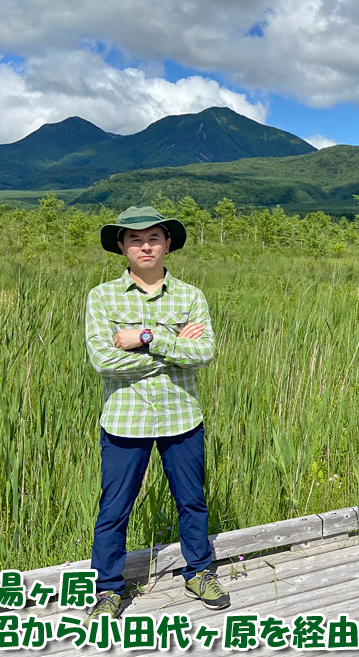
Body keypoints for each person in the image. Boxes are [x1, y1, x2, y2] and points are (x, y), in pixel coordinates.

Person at [83, 206, 229, 623]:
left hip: (182, 417)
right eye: (134, 239)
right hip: (125, 419)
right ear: (121, 247)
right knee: (114, 508)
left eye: (153, 238)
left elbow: (203, 353)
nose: (145, 246)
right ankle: (108, 588)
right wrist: (170, 349)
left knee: (192, 501)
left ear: (168, 244)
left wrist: (144, 338)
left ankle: (198, 571)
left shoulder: (191, 296)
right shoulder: (101, 297)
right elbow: (104, 361)